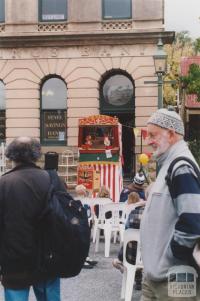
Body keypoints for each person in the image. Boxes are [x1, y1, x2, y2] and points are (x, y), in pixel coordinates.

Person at [140, 108, 200, 300]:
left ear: (171, 134)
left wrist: (173, 255)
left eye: (153, 135)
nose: (148, 141)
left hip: (174, 277)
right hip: (157, 276)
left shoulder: (180, 166)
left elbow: (193, 220)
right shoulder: (170, 163)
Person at [0, 137, 60, 301]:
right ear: (36, 155)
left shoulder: (3, 183)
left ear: (11, 156)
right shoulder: (52, 179)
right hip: (47, 256)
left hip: (14, 259)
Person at [112, 192, 145, 290]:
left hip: (131, 256)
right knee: (138, 251)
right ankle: (138, 279)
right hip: (148, 259)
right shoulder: (150, 215)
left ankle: (128, 273)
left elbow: (127, 235)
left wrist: (121, 257)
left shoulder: (131, 216)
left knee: (118, 260)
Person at [74, 184, 98, 269]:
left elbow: (90, 211)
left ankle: (86, 256)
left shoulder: (86, 200)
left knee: (87, 241)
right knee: (83, 241)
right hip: (82, 224)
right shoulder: (77, 201)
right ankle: (82, 259)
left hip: (87, 221)